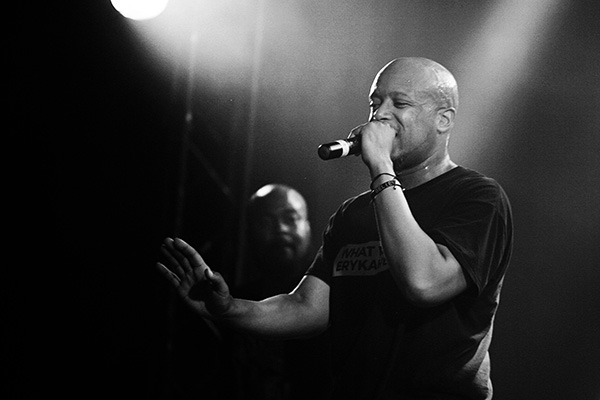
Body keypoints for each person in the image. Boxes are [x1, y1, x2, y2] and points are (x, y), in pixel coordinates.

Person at [158, 57, 513, 399]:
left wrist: (381, 167)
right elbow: (306, 306)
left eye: (400, 103)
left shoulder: (478, 197)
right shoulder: (354, 213)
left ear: (443, 120)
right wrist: (229, 309)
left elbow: (424, 282)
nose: (380, 114)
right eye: (375, 102)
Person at [230, 183, 331, 400]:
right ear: (250, 232)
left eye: (290, 218)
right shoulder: (233, 302)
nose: (280, 229)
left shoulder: (334, 298)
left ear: (308, 226)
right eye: (266, 222)